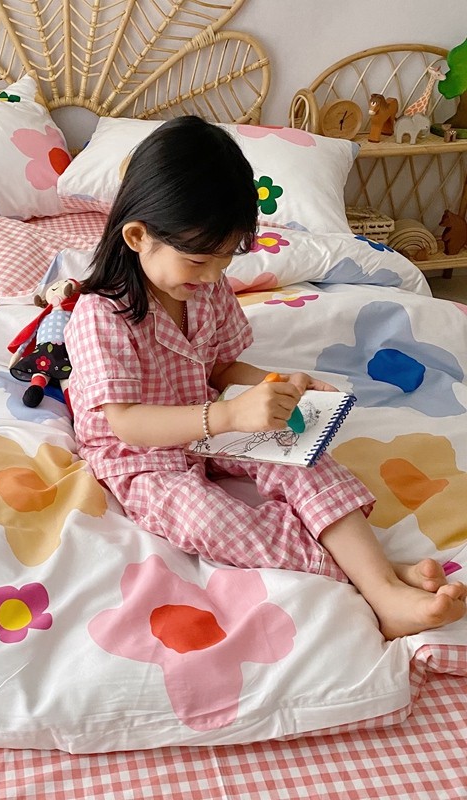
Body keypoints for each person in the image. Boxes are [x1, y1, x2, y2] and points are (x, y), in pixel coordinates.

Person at [64, 115, 466, 640]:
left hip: (212, 419)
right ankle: (381, 582)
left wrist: (277, 383)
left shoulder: (206, 288)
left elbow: (222, 367)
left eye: (225, 258)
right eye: (199, 260)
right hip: (141, 456)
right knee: (208, 519)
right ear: (138, 237)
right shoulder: (101, 314)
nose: (215, 275)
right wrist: (228, 414)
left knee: (304, 457)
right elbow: (126, 424)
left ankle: (382, 584)